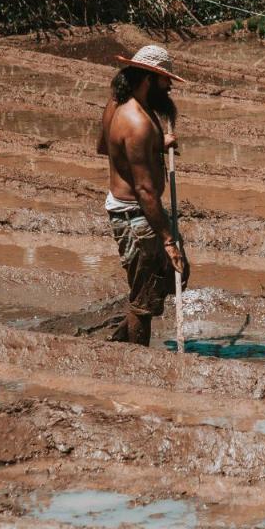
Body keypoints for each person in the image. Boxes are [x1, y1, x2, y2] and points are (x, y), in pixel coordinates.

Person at [97, 45, 190, 345]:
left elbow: (105, 146)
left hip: (132, 211)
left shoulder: (118, 104)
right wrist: (168, 239)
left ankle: (121, 339)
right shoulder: (137, 123)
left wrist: (155, 143)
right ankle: (134, 359)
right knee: (146, 298)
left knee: (164, 280)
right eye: (165, 80)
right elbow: (145, 191)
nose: (170, 87)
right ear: (149, 78)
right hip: (136, 216)